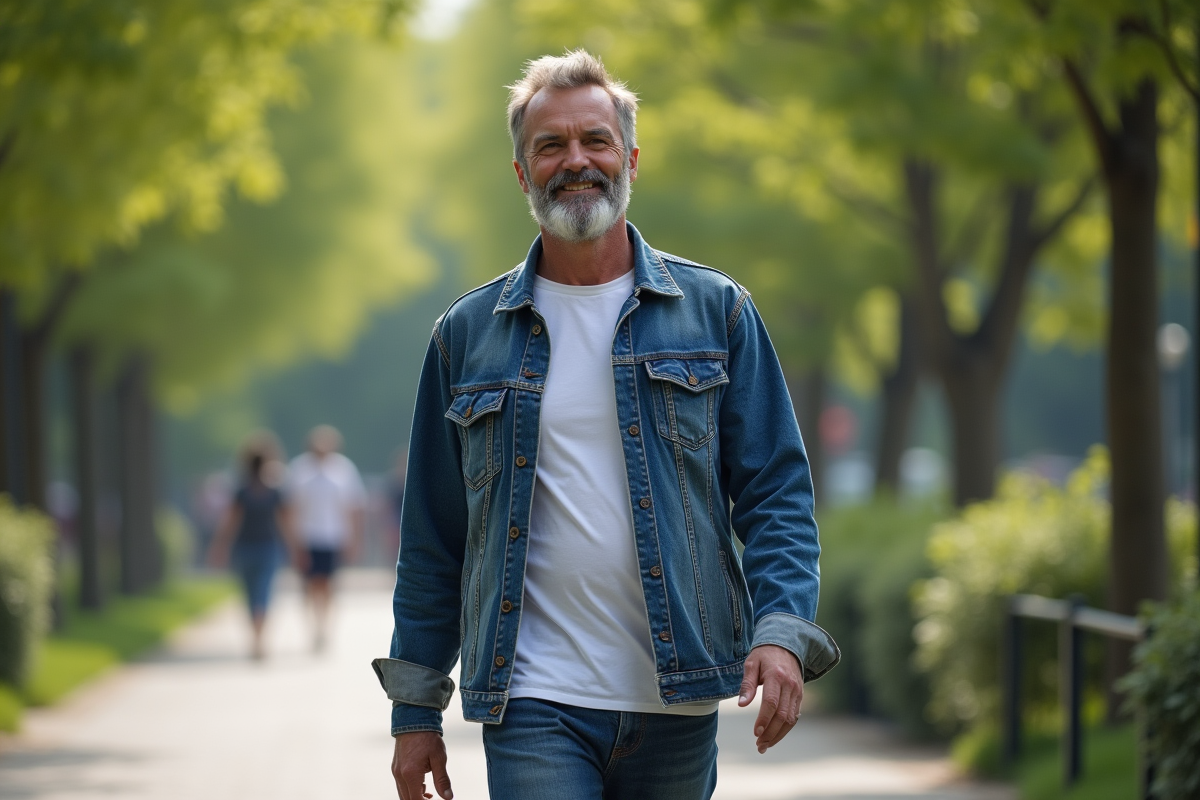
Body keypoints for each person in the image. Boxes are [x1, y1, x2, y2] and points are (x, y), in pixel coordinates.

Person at [374, 50, 839, 800]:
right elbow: (434, 538)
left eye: (594, 140)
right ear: (523, 173)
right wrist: (414, 709)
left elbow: (776, 495)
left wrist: (782, 634)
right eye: (549, 146)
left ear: (630, 157)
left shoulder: (717, 312)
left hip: (677, 697)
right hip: (533, 699)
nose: (575, 161)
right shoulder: (465, 336)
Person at [208, 432, 302, 660]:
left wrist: (219, 547)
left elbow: (230, 523)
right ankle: (259, 639)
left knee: (251, 595)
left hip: (245, 548)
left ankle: (256, 638)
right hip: (268, 548)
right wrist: (296, 549)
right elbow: (286, 525)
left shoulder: (242, 492)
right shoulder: (275, 492)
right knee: (263, 593)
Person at [287, 424, 366, 652]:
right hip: (308, 536)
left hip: (333, 535)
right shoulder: (299, 470)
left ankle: (325, 626)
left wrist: (354, 538)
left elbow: (354, 506)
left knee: (329, 584)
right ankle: (313, 625)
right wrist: (294, 543)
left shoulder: (343, 469)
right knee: (310, 584)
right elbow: (292, 508)